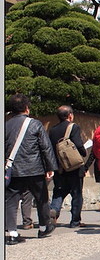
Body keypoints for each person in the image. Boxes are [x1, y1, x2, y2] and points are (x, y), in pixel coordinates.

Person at [5, 94, 58, 244]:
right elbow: (45, 147)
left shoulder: (6, 126)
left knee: (11, 200)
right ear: (27, 108)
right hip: (35, 169)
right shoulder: (35, 124)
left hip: (13, 169)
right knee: (41, 198)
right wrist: (50, 167)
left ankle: (12, 233)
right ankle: (43, 227)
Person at [48, 105, 87, 228]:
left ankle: (54, 209)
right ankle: (75, 221)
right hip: (74, 166)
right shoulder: (73, 127)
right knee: (76, 193)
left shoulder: (52, 130)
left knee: (59, 190)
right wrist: (83, 152)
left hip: (59, 167)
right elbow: (78, 144)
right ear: (70, 115)